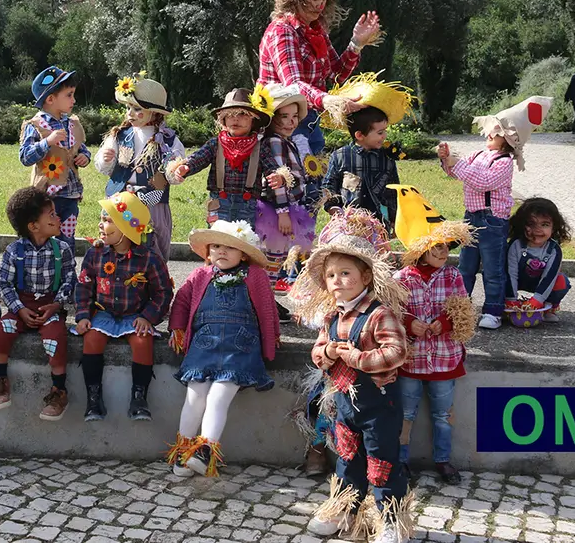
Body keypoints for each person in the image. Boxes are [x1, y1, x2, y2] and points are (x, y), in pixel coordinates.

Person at [293, 233, 412, 543]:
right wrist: (328, 353)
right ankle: (347, 509)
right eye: (331, 275)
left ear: (366, 277)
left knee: (382, 462)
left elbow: (397, 352)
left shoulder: (379, 314)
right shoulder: (331, 317)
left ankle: (390, 520)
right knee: (348, 458)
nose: (337, 281)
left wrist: (360, 358)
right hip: (345, 404)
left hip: (379, 406)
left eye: (345, 273)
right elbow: (317, 353)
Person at [257, 0, 383, 157]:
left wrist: (356, 43)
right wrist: (327, 100)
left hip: (308, 117)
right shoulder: (282, 31)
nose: (320, 5)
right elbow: (293, 84)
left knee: (312, 176)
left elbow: (335, 76)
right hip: (281, 121)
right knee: (293, 179)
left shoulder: (317, 32)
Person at [167, 221, 278, 477]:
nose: (222, 252)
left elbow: (267, 309)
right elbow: (182, 301)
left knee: (219, 397)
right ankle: (183, 451)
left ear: (244, 254)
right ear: (208, 251)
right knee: (195, 397)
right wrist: (177, 328)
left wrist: (271, 341)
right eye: (216, 246)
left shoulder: (255, 276)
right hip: (203, 346)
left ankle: (205, 449)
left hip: (239, 348)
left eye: (230, 247)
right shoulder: (200, 276)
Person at [438, 96, 552, 330]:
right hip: (471, 217)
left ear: (508, 140)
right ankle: (461, 309)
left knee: (493, 269)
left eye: (496, 132)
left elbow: (482, 181)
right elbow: (457, 172)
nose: (489, 133)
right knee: (466, 266)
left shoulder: (504, 162)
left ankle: (493, 310)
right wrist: (447, 161)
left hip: (493, 221)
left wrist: (456, 163)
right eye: (491, 130)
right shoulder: (477, 155)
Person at [73, 192, 172, 422]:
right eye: (102, 218)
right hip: (103, 313)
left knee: (142, 340)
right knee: (92, 338)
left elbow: (163, 291)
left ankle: (139, 397)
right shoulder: (95, 254)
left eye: (108, 220)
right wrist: (82, 315)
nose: (101, 224)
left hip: (134, 315)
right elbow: (84, 286)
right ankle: (94, 398)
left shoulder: (149, 258)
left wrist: (148, 317)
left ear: (127, 227)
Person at [393, 216, 476, 487]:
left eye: (446, 247)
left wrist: (446, 322)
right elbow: (391, 311)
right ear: (419, 250)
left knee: (443, 414)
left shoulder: (452, 276)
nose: (443, 252)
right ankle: (401, 459)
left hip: (444, 358)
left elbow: (462, 307)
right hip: (411, 361)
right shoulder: (402, 279)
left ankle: (442, 459)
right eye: (436, 247)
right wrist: (409, 323)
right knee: (405, 414)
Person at [0, 187, 77, 420]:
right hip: (22, 307)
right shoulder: (14, 250)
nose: (57, 217)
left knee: (55, 337)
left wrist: (57, 305)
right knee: (2, 329)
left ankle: (58, 391)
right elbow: (4, 284)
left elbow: (70, 281)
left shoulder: (62, 250)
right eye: (51, 214)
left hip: (50, 309)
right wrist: (19, 309)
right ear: (33, 226)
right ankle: (0, 382)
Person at [95, 73, 184, 263]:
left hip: (152, 203)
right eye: (128, 108)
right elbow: (105, 167)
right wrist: (106, 159)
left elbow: (174, 163)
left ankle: (153, 282)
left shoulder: (167, 139)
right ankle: (116, 279)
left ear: (155, 112)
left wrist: (175, 169)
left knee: (153, 244)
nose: (130, 113)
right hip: (120, 200)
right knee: (117, 243)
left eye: (137, 109)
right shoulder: (119, 135)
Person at [170, 88, 272, 225]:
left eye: (242, 114)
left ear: (253, 121)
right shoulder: (216, 144)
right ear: (223, 120)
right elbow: (200, 157)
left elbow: (272, 167)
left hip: (247, 206)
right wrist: (186, 167)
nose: (235, 118)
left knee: (244, 240)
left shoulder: (260, 147)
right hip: (219, 203)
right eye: (229, 115)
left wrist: (278, 176)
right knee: (217, 239)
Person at [20, 65, 90, 251]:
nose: (73, 100)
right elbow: (25, 157)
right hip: (47, 196)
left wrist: (84, 156)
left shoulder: (72, 124)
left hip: (70, 197)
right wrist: (47, 142)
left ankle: (66, 274)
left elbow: (80, 148)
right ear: (50, 99)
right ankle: (43, 272)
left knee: (67, 241)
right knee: (43, 239)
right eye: (69, 95)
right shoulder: (35, 125)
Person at [257, 83, 318, 295]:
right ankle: (265, 300)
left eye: (294, 116)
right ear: (272, 118)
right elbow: (278, 178)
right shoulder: (274, 141)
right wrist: (283, 213)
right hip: (275, 209)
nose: (291, 122)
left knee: (278, 257)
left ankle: (267, 299)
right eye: (284, 116)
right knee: (272, 257)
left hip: (286, 206)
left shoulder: (286, 140)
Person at [323, 107, 400, 233]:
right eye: (380, 133)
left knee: (377, 252)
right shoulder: (340, 156)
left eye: (384, 131)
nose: (384, 136)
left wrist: (394, 217)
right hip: (347, 223)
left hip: (378, 224)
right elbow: (329, 185)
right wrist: (332, 207)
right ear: (359, 135)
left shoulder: (387, 159)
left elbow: (393, 191)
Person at [505, 198, 571, 325]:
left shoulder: (554, 250)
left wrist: (537, 300)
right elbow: (510, 273)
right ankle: (502, 307)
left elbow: (549, 277)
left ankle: (547, 308)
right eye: (531, 224)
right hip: (518, 280)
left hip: (539, 282)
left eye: (545, 224)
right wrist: (511, 299)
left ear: (554, 227)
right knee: (498, 277)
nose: (538, 229)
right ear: (521, 224)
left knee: (562, 281)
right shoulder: (516, 245)